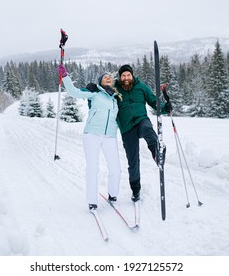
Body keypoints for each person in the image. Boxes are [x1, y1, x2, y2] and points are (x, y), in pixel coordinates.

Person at [57, 64, 122, 211]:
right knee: (93, 168)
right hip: (92, 134)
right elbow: (74, 92)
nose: (108, 78)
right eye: (105, 77)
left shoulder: (115, 98)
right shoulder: (94, 93)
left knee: (116, 168)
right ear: (100, 81)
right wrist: (65, 76)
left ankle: (113, 194)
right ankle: (92, 201)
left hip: (110, 136)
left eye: (110, 78)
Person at [114, 64, 171, 202]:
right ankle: (135, 190)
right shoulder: (115, 90)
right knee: (133, 161)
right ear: (120, 77)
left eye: (128, 75)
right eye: (123, 75)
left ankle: (157, 153)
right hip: (127, 128)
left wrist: (164, 108)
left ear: (132, 76)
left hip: (141, 120)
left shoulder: (141, 87)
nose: (126, 78)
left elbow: (153, 101)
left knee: (147, 129)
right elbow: (103, 98)